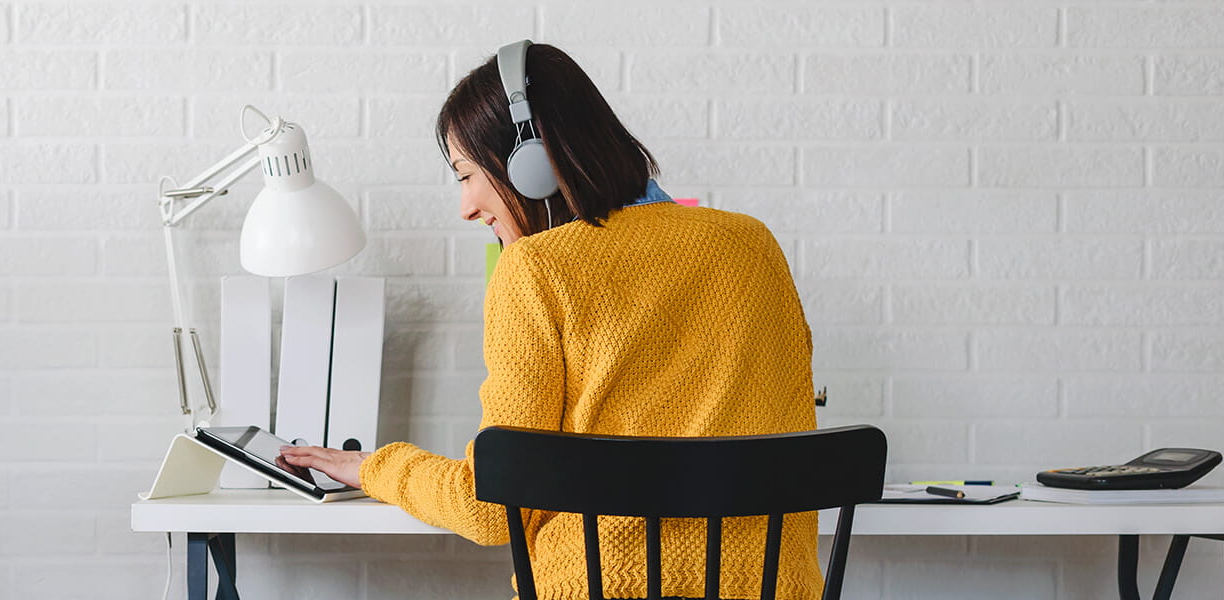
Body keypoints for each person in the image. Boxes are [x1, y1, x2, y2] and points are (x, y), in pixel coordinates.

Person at [279, 42, 820, 600]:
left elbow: (490, 508)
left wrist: (375, 467)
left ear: (529, 163)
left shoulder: (536, 270)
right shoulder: (752, 245)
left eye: (467, 175)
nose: (465, 206)